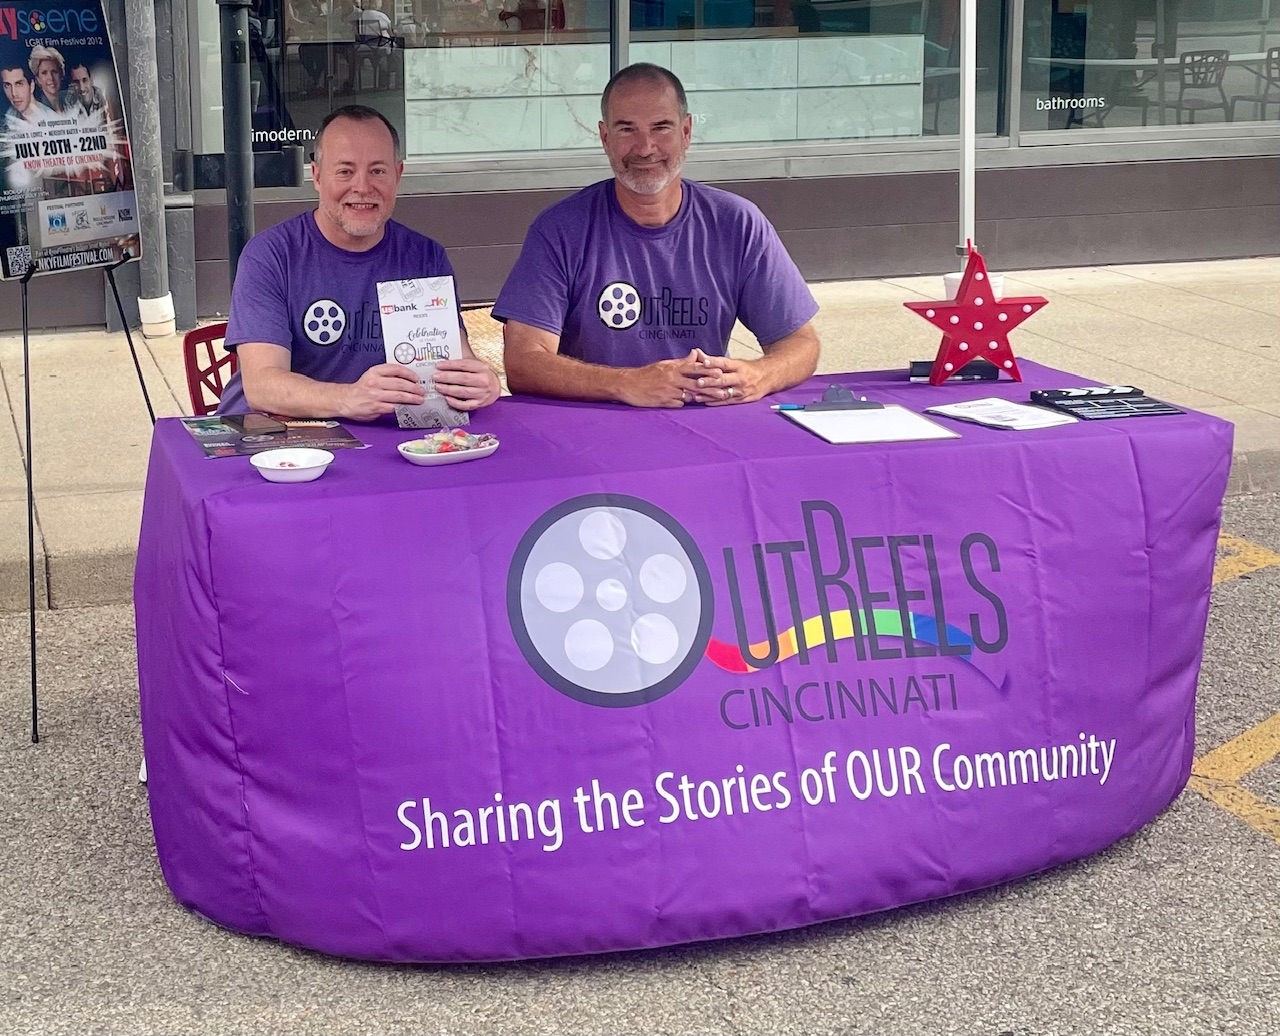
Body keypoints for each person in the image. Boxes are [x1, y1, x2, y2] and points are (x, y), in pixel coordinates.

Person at [493, 63, 820, 409]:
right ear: (605, 137)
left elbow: (802, 343)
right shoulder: (560, 229)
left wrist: (759, 375)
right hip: (596, 424)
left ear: (686, 131)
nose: (645, 147)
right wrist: (626, 383)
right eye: (627, 129)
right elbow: (523, 363)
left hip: (705, 419)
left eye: (661, 127)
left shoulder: (738, 222)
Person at [216, 105, 501, 419]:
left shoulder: (425, 257)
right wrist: (348, 398)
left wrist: (481, 382)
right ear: (317, 176)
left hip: (386, 437)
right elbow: (262, 386)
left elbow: (457, 361)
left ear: (398, 175)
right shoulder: (271, 255)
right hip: (275, 435)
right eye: (345, 171)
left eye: (377, 171)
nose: (363, 187)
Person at [2, 64, 54, 130]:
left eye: (19, 84)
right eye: (7, 85)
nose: (14, 93)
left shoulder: (51, 120)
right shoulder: (9, 115)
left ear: (32, 86)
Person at [29, 46, 68, 114]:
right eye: (44, 73)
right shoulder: (36, 109)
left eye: (54, 72)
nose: (51, 78)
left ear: (61, 74)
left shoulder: (70, 100)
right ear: (38, 79)